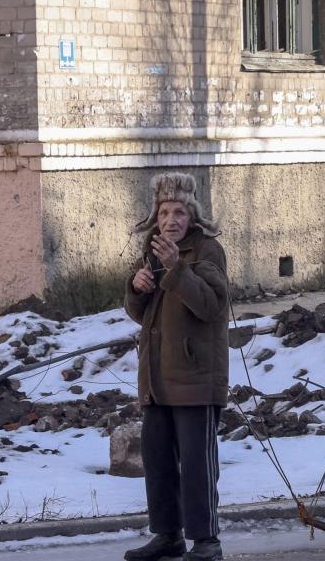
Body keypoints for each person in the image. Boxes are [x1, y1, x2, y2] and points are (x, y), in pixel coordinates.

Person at [123, 172, 229, 561]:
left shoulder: (206, 251)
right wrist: (136, 288)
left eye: (180, 211)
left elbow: (212, 306)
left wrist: (177, 271)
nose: (172, 220)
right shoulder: (155, 249)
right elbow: (140, 312)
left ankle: (207, 542)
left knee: (198, 467)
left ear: (193, 215)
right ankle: (168, 536)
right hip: (157, 379)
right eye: (165, 211)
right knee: (159, 461)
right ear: (156, 214)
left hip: (196, 378)